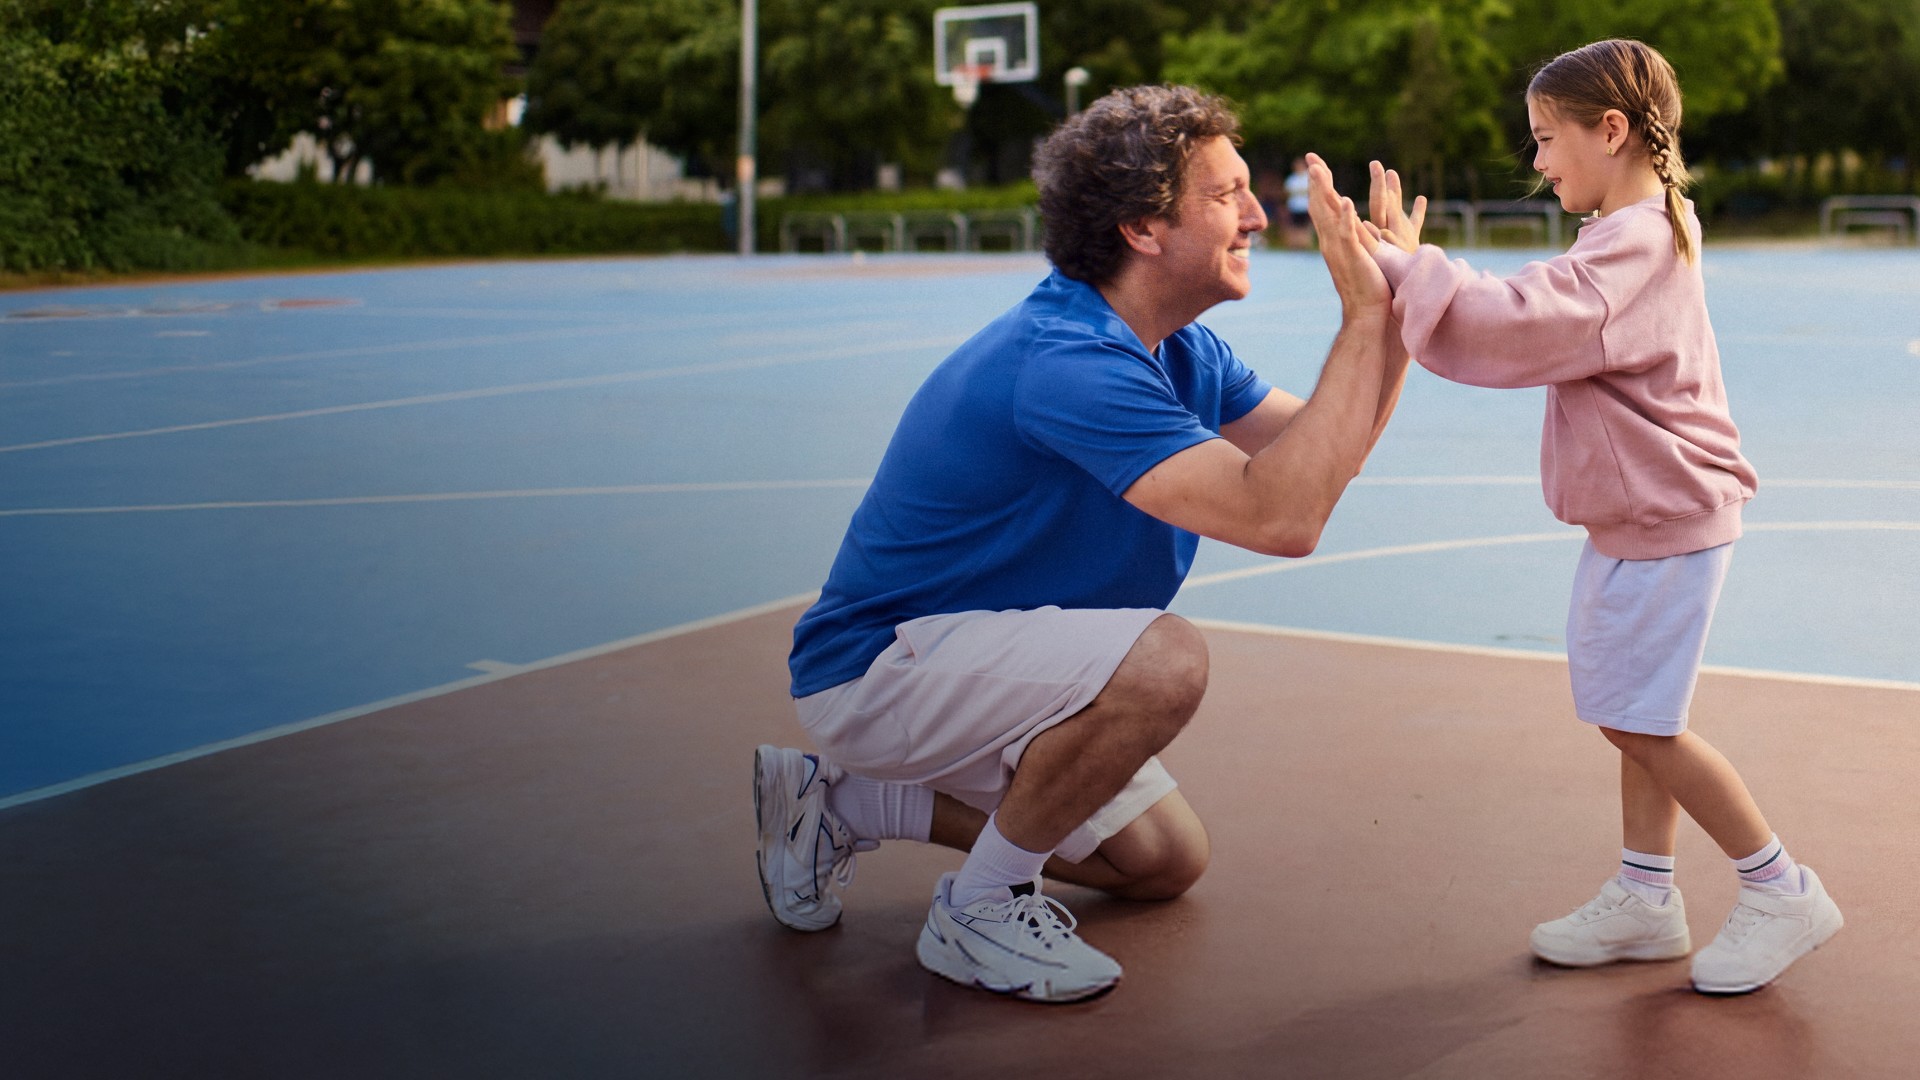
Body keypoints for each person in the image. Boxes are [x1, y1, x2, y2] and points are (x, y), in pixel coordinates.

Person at [754, 85, 1411, 1002]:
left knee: (1162, 862)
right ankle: (979, 910)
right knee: (1165, 664)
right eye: (1227, 195)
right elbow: (1283, 518)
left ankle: (838, 803)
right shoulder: (1068, 362)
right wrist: (1364, 320)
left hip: (991, 660)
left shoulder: (1179, 348)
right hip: (880, 673)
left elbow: (1324, 459)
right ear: (1145, 230)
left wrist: (1398, 317)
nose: (1259, 215)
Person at [1360, 39, 1843, 995]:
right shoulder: (1642, 227)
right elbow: (1545, 316)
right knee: (1638, 713)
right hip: (1649, 515)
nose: (1537, 162)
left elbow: (1523, 322)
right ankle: (1647, 895)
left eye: (1546, 139)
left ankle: (1780, 886)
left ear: (1610, 130)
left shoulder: (1633, 242)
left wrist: (1408, 269)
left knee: (1640, 720)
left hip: (1668, 514)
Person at [1283, 157, 1314, 249]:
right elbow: (1287, 191)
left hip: (1305, 206)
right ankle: (1294, 245)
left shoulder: (1308, 178)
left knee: (1305, 227)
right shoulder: (1292, 178)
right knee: (1294, 226)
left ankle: (1305, 245)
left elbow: (1310, 191)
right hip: (1294, 206)